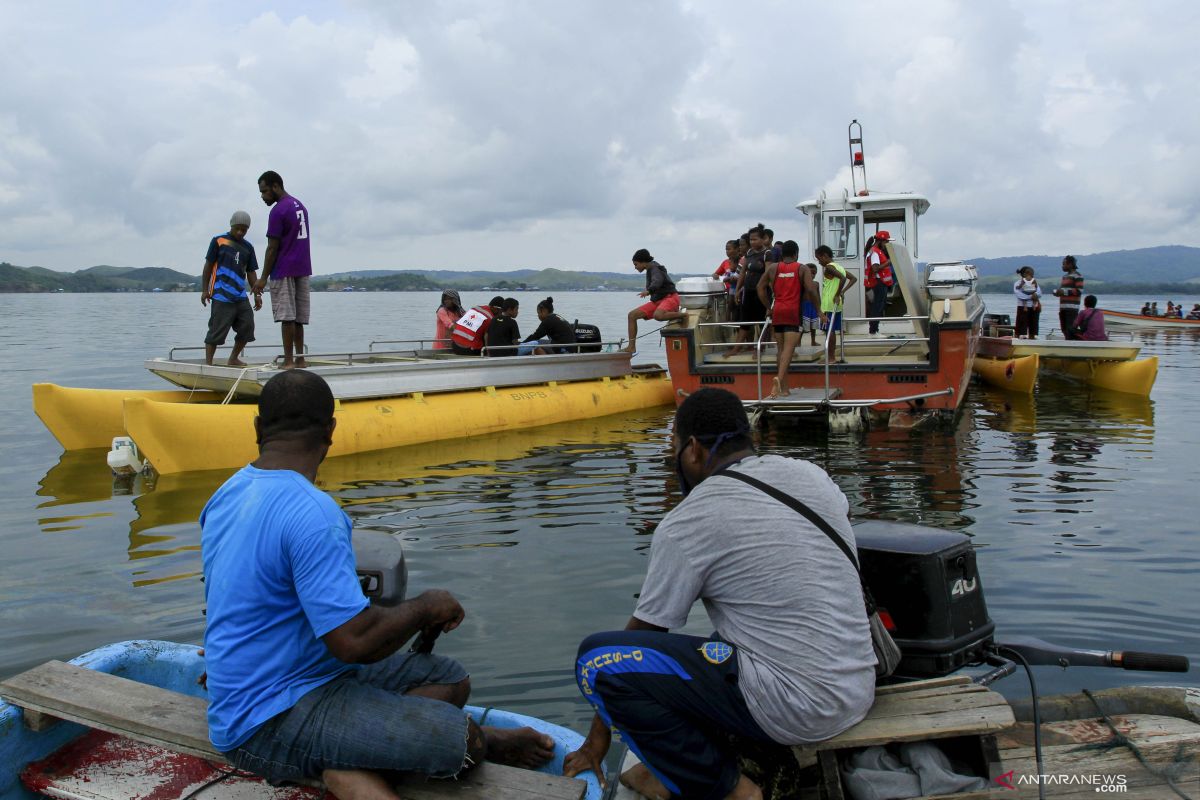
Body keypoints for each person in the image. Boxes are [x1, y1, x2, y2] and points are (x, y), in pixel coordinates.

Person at [200, 370, 555, 800]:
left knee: (450, 679)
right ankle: (345, 758)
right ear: (331, 431)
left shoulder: (226, 492)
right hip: (263, 721)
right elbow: (354, 643)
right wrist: (426, 606)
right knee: (466, 745)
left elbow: (235, 600)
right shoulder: (314, 513)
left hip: (305, 676)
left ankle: (346, 751)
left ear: (257, 428)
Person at [563, 388, 876, 800]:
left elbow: (642, 638)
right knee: (715, 643)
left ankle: (730, 790)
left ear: (692, 449)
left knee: (598, 660)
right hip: (857, 686)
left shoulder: (689, 521)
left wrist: (595, 743)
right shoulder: (810, 475)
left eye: (673, 446)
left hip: (800, 709)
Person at [252, 171, 312, 369]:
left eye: (265, 191)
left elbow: (272, 247)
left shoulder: (278, 211)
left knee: (287, 317)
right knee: (299, 318)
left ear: (276, 186)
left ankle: (288, 361)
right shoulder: (299, 206)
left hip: (284, 267)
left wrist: (262, 278)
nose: (263, 196)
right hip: (302, 268)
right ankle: (300, 359)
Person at [759, 241, 821, 398]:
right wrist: (819, 311)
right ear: (796, 253)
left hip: (778, 311)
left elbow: (760, 287)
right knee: (789, 349)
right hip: (793, 312)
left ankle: (785, 389)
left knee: (781, 350)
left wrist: (769, 307)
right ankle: (778, 381)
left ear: (782, 254)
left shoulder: (774, 268)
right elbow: (811, 290)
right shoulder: (802, 268)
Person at [201, 211, 261, 366]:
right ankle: (209, 364)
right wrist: (205, 290)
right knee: (216, 331)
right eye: (237, 229)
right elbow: (208, 266)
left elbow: (251, 271)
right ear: (231, 225)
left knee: (247, 326)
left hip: (240, 296)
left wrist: (257, 295)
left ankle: (233, 358)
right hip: (221, 294)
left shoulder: (248, 247)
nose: (240, 232)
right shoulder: (219, 241)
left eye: (244, 230)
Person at [625, 249, 686, 353]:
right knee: (632, 315)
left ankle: (683, 315)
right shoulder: (649, 269)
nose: (635, 267)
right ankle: (631, 347)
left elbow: (657, 281)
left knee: (658, 315)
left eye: (636, 264)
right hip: (658, 301)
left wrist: (648, 291)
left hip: (670, 297)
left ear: (643, 262)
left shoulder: (655, 268)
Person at [815, 244, 856, 362]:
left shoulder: (829, 267)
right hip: (836, 304)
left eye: (819, 259)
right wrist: (843, 292)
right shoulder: (839, 266)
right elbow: (853, 278)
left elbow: (843, 279)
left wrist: (838, 293)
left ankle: (831, 357)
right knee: (831, 330)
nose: (819, 262)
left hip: (829, 304)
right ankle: (831, 357)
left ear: (825, 256)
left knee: (829, 331)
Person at [863, 231, 895, 336]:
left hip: (881, 283)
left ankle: (874, 330)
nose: (887, 244)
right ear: (880, 241)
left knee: (879, 306)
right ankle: (873, 331)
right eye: (886, 241)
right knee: (877, 307)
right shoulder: (875, 253)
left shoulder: (876, 251)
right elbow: (875, 268)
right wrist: (889, 262)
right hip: (878, 283)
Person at [1052, 255, 1083, 339]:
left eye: (1064, 264)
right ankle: (1068, 344)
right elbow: (1065, 291)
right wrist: (1058, 293)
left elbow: (1079, 291)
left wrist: (1063, 292)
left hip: (1072, 308)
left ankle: (1074, 344)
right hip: (1063, 308)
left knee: (1071, 329)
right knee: (1064, 329)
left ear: (1070, 264)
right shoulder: (1065, 277)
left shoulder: (1078, 276)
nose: (1062, 266)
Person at [1013, 266, 1042, 339]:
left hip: (1033, 308)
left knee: (1033, 328)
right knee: (1020, 327)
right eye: (1028, 273)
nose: (1031, 275)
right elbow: (1020, 295)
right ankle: (1018, 341)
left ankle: (1032, 340)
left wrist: (1035, 295)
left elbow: (1039, 293)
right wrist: (1031, 296)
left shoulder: (1034, 282)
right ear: (1023, 274)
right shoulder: (1018, 283)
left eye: (1032, 273)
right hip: (1023, 307)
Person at [801, 263, 821, 346]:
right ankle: (798, 342)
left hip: (814, 306)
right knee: (803, 326)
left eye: (814, 273)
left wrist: (819, 307)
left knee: (813, 326)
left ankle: (813, 341)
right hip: (805, 306)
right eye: (810, 273)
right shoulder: (802, 283)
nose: (812, 275)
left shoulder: (816, 284)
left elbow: (818, 296)